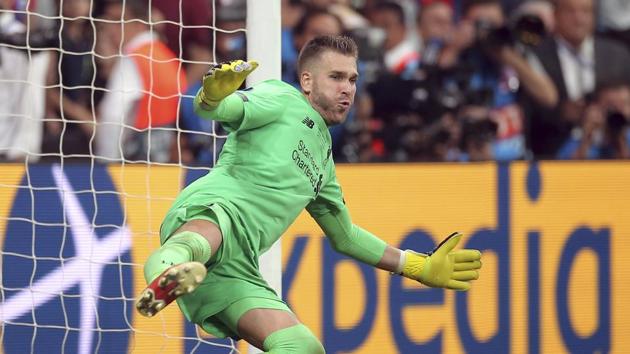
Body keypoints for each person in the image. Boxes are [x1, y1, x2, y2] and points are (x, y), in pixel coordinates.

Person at [135, 35, 482, 353]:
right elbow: (221, 110)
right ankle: (166, 272)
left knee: (302, 347)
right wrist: (212, 96)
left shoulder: (324, 163)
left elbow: (346, 237)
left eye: (353, 79)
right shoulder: (281, 97)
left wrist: (416, 265)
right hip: (215, 209)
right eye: (336, 77)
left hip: (237, 269)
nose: (347, 88)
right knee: (207, 235)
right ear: (307, 81)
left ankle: (177, 272)